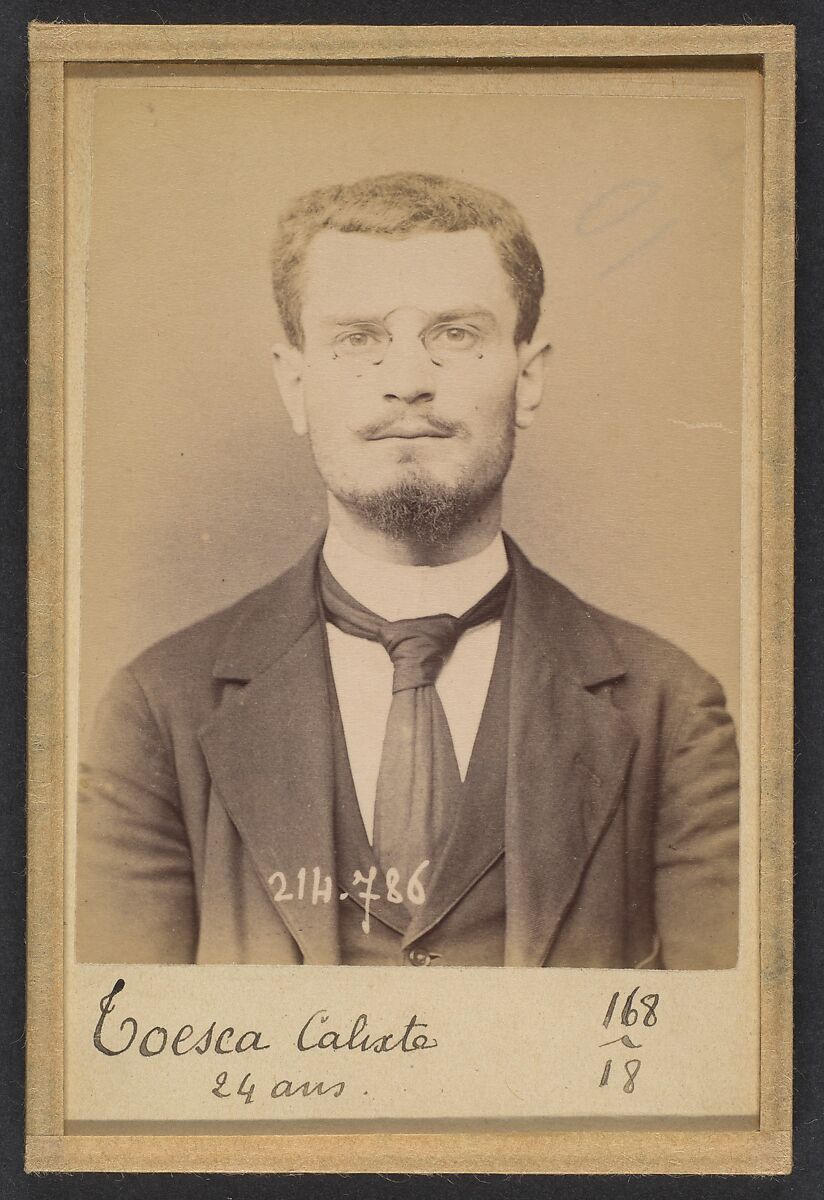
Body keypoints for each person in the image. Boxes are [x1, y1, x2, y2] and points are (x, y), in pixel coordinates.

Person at [76, 171, 739, 969]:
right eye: (358, 339)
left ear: (527, 378)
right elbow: (125, 1071)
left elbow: (720, 1061)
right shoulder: (158, 712)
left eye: (455, 333)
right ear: (296, 385)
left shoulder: (670, 711)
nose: (408, 379)